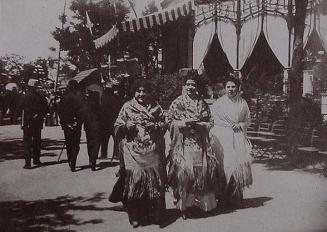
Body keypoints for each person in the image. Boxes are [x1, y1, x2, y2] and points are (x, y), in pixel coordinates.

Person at [166, 71, 223, 219]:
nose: (190, 87)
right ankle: (184, 207)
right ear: (184, 86)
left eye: (193, 84)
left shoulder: (201, 102)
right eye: (188, 84)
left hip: (199, 144)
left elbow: (210, 121)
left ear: (196, 86)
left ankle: (204, 205)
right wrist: (181, 124)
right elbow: (169, 121)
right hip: (183, 143)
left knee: (201, 173)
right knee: (185, 174)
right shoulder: (177, 102)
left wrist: (202, 125)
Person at [111, 79, 166, 228]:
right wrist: (126, 126)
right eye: (138, 91)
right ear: (134, 92)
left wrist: (155, 125)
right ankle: (134, 215)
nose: (141, 94)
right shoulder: (127, 107)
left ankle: (155, 214)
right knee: (135, 183)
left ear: (148, 92)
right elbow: (116, 126)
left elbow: (164, 124)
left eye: (144, 91)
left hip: (152, 150)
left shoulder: (156, 107)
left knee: (154, 182)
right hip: (133, 151)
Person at [211, 76, 253, 209]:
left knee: (238, 166)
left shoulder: (243, 103)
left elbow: (248, 120)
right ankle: (222, 198)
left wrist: (240, 124)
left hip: (238, 137)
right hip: (222, 138)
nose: (230, 89)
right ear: (225, 88)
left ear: (238, 88)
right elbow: (214, 121)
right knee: (225, 166)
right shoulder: (218, 103)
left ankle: (236, 198)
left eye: (233, 86)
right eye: (228, 87)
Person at [21, 79, 49, 169]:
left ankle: (27, 163)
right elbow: (46, 109)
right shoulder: (41, 97)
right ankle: (36, 160)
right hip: (37, 122)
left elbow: (20, 108)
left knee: (27, 142)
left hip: (27, 122)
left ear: (29, 87)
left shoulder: (25, 97)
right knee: (37, 141)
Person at [57, 80, 83, 172]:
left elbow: (59, 111)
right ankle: (73, 161)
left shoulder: (64, 98)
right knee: (76, 144)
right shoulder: (79, 98)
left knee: (68, 143)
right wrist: (79, 121)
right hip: (77, 124)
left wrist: (64, 122)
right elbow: (82, 112)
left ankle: (70, 159)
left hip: (67, 124)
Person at [99, 82, 125, 160]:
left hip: (104, 121)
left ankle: (103, 154)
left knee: (104, 139)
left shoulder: (102, 98)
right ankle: (117, 154)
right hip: (114, 121)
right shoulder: (116, 98)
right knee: (116, 139)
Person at [80, 90, 102, 171]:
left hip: (88, 127)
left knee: (89, 143)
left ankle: (90, 159)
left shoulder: (86, 106)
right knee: (97, 143)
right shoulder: (99, 106)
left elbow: (82, 115)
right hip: (97, 127)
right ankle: (94, 159)